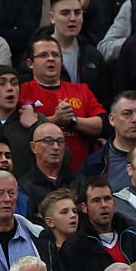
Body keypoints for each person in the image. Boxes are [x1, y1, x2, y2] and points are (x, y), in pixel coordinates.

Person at [20, 36, 105, 171]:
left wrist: (72, 121)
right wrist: (55, 119)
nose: (51, 59)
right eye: (43, 55)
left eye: (55, 55)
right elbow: (20, 131)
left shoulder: (81, 89)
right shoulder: (23, 91)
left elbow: (101, 124)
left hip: (79, 172)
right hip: (38, 173)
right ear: (30, 63)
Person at [19, 122, 79, 222]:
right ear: (33, 147)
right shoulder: (24, 187)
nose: (56, 147)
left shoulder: (78, 182)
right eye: (48, 141)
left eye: (60, 141)